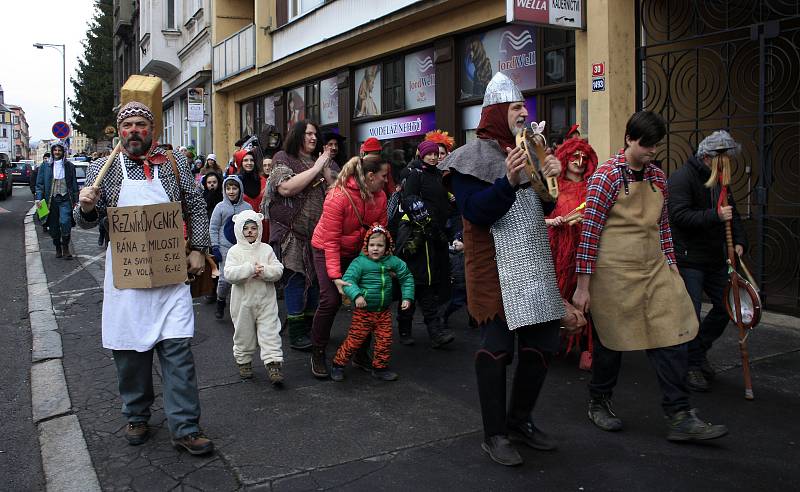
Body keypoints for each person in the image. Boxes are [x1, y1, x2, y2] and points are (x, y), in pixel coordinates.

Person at [446, 72, 585, 467]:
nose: (523, 113)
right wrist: (509, 179)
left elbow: (540, 208)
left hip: (532, 258)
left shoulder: (530, 150)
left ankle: (520, 421)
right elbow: (476, 212)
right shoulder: (468, 158)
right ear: (495, 112)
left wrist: (550, 178)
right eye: (515, 107)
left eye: (524, 107)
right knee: (498, 349)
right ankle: (495, 435)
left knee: (543, 345)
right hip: (493, 263)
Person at [572, 110, 728, 443]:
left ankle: (679, 415)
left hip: (654, 269)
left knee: (669, 336)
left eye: (656, 146)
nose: (652, 151)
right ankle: (599, 402)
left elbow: (664, 227)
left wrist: (671, 264)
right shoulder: (606, 177)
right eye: (647, 145)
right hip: (613, 273)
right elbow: (590, 233)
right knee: (611, 343)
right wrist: (582, 287)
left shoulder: (658, 178)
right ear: (630, 138)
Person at [74, 101, 214, 455]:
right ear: (119, 131)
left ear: (152, 129)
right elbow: (85, 222)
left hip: (170, 277)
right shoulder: (101, 169)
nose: (134, 131)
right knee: (129, 351)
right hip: (127, 277)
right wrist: (87, 207)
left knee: (178, 349)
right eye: (128, 126)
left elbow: (195, 204)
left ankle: (185, 426)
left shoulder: (175, 163)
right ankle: (136, 414)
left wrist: (198, 246)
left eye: (140, 124)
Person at [668, 130, 748, 392]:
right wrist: (714, 216)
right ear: (707, 157)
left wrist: (738, 241)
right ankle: (691, 365)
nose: (725, 164)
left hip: (715, 258)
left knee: (728, 305)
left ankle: (698, 350)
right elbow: (679, 216)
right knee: (690, 315)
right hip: (689, 258)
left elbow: (731, 213)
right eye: (721, 158)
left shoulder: (720, 180)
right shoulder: (682, 178)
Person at [308, 154, 390, 378]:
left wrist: (381, 264)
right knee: (331, 299)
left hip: (356, 251)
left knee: (369, 296)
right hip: (325, 249)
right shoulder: (337, 196)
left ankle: (360, 354)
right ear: (371, 176)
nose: (387, 180)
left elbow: (379, 233)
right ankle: (318, 351)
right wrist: (335, 276)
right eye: (384, 176)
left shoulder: (381, 196)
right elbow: (331, 241)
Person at [265, 120, 336, 351]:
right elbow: (285, 188)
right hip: (290, 232)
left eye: (315, 134)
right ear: (297, 135)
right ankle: (296, 333)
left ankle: (309, 327)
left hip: (318, 233)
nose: (313, 138)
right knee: (296, 278)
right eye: (308, 134)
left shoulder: (323, 161)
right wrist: (316, 169)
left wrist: (325, 170)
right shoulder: (283, 158)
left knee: (316, 281)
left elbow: (336, 192)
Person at [330, 224, 414, 382]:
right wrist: (357, 296)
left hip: (383, 311)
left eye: (380, 245)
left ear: (387, 246)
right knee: (354, 340)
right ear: (366, 245)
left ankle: (380, 368)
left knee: (385, 339)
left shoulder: (393, 261)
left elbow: (406, 277)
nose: (375, 249)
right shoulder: (360, 263)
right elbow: (348, 280)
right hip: (364, 312)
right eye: (372, 245)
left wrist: (407, 297)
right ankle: (338, 364)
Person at [395, 140, 455, 347]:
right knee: (414, 284)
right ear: (422, 155)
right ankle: (405, 327)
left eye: (436, 154)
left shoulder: (439, 175)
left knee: (428, 284)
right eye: (429, 154)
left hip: (435, 236)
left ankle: (435, 332)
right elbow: (408, 200)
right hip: (417, 238)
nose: (433, 157)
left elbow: (443, 202)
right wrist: (424, 220)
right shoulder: (415, 174)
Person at [545, 137, 598, 369]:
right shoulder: (554, 185)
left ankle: (588, 348)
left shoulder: (592, 187)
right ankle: (559, 338)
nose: (579, 161)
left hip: (586, 250)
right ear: (565, 158)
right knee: (560, 296)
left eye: (583, 158)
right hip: (559, 250)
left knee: (589, 300)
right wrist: (551, 221)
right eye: (575, 156)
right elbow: (538, 215)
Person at [224, 210, 285, 385]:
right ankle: (244, 361)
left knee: (270, 332)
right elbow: (229, 274)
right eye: (246, 228)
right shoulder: (234, 252)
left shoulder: (266, 249)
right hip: (243, 304)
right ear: (238, 230)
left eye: (254, 228)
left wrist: (265, 271)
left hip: (266, 301)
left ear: (259, 229)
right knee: (244, 334)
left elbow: (278, 269)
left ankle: (274, 363)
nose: (250, 231)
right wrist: (249, 269)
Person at [210, 175, 252, 319]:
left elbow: (253, 226)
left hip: (243, 248)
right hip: (224, 247)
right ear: (224, 189)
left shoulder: (247, 207)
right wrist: (215, 247)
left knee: (244, 276)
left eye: (234, 188)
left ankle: (242, 306)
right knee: (225, 278)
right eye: (228, 188)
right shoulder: (220, 207)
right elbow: (213, 227)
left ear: (240, 189)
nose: (231, 191)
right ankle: (221, 300)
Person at [35, 143, 79, 259]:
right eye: (55, 150)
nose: (57, 152)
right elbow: (39, 184)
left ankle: (65, 247)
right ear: (52, 151)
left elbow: (74, 185)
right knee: (53, 226)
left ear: (63, 152)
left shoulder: (70, 166)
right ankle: (57, 247)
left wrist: (76, 201)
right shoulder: (45, 166)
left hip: (65, 199)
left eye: (59, 150)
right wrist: (39, 199)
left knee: (65, 222)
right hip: (51, 201)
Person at [236, 149, 269, 243]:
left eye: (252, 160)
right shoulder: (236, 182)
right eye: (245, 160)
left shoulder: (264, 181)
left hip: (262, 224)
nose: (249, 163)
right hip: (244, 226)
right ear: (240, 163)